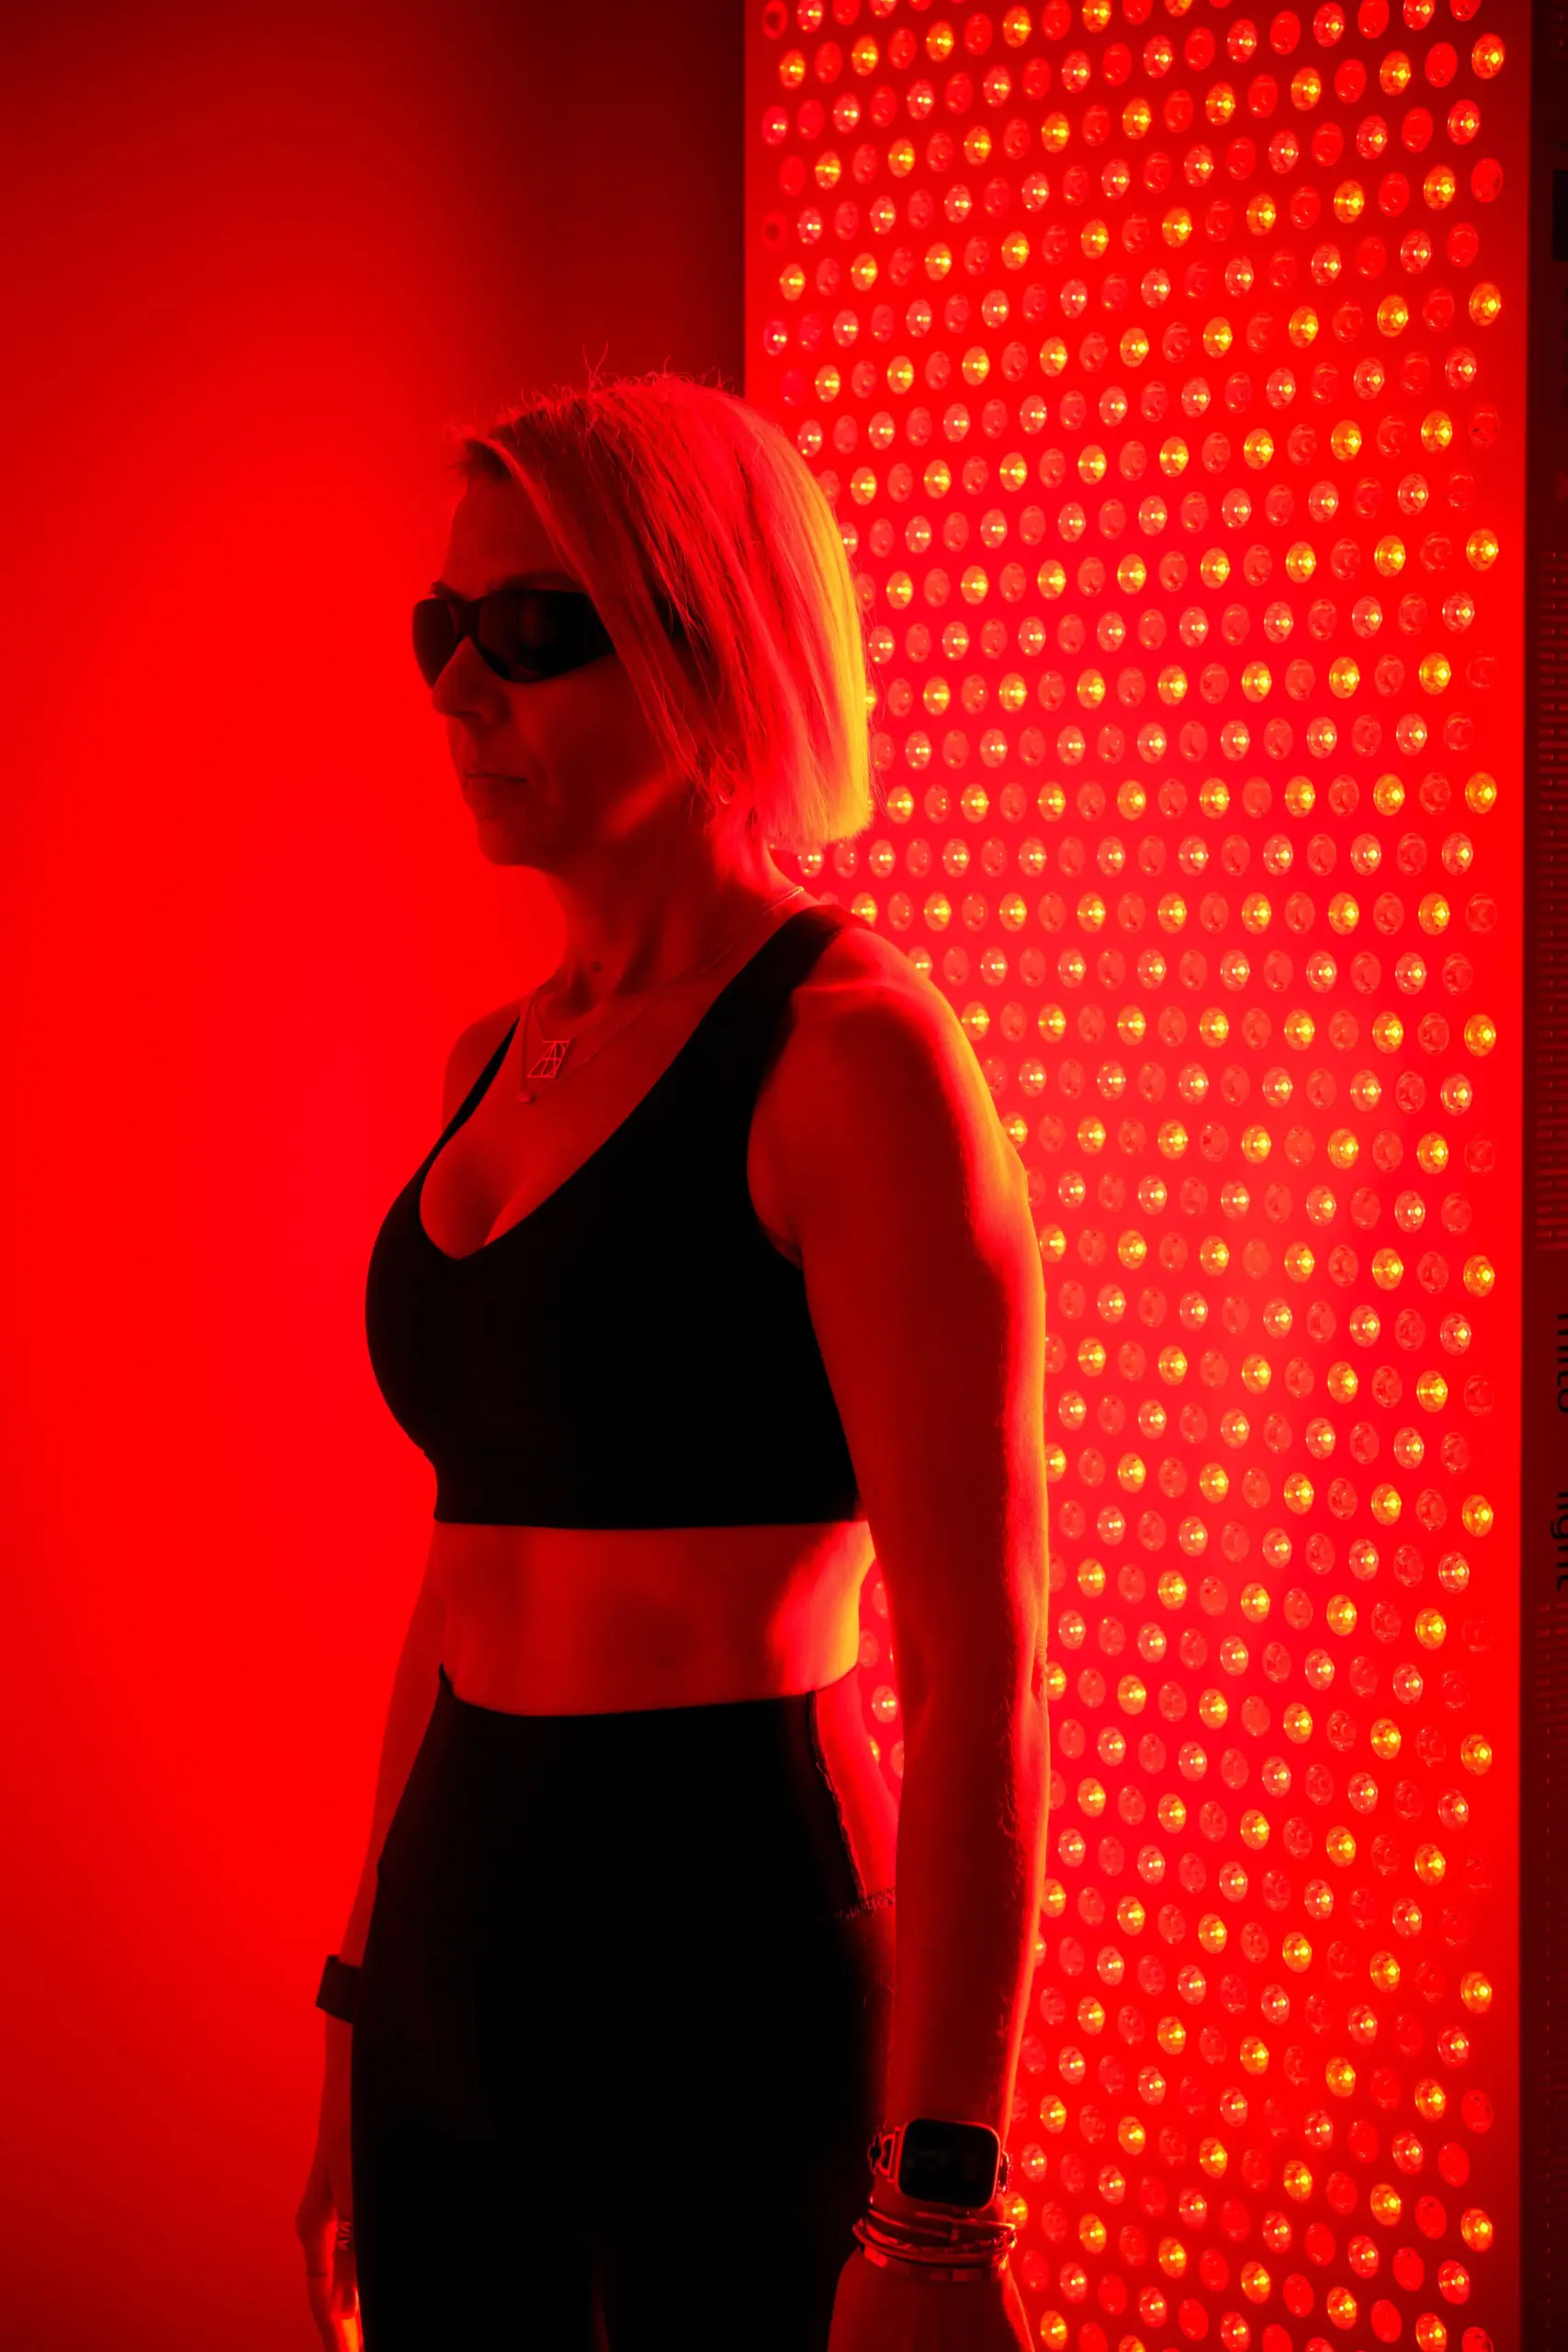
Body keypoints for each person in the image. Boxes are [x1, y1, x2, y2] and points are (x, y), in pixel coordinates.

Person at [293, 368, 1050, 2351]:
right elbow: (458, 1575)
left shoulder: (854, 1057)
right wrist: (356, 2011)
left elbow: (977, 1666)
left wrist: (941, 2215)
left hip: (726, 1978)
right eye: (441, 630)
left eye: (531, 629)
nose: (460, 690)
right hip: (447, 1960)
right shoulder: (490, 1059)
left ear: (717, 647)